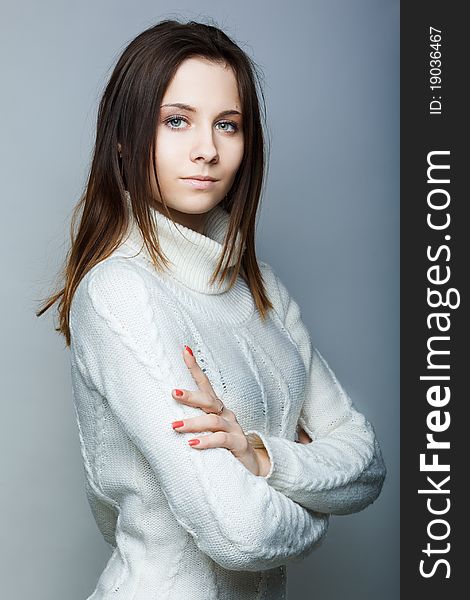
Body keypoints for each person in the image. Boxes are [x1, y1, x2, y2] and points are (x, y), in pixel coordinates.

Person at [37, 18, 386, 599]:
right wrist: (318, 511)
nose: (207, 150)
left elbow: (367, 467)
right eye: (176, 121)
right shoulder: (122, 292)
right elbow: (242, 534)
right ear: (124, 138)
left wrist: (259, 457)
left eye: (228, 126)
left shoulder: (262, 286)